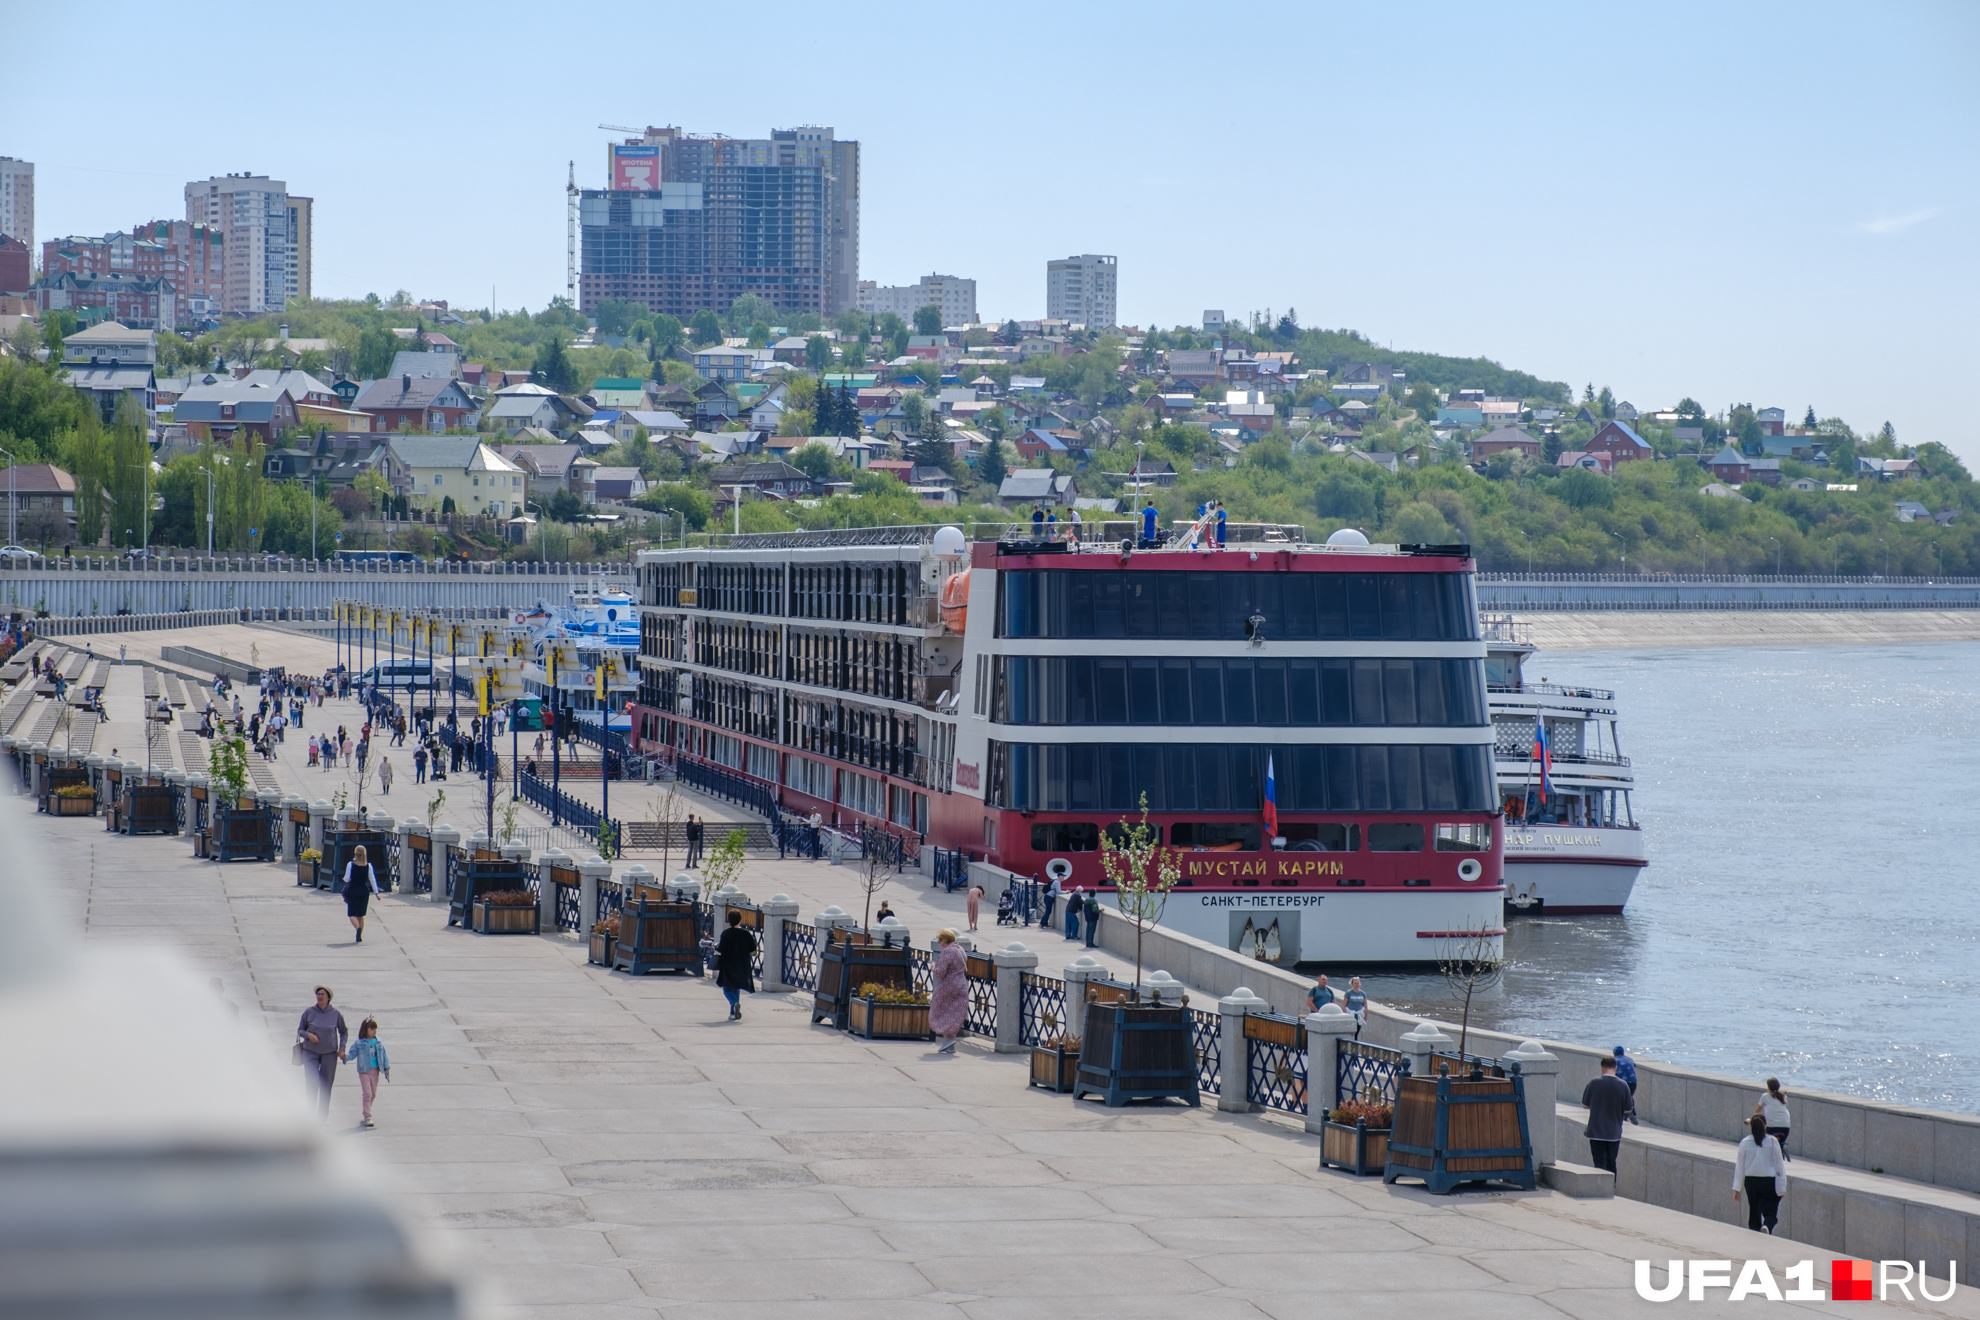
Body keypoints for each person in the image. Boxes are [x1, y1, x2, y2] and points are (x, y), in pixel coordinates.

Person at [296, 986, 347, 1119]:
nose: (320, 997)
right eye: (318, 994)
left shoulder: (335, 1014)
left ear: (328, 997)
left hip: (329, 1054)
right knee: (312, 1083)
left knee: (326, 1086)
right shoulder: (309, 1012)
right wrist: (308, 1035)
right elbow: (300, 1030)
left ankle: (322, 1117)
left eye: (322, 994)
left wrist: (342, 1048)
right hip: (310, 1052)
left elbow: (344, 1031)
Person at [1732, 1113, 1787, 1233]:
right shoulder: (1772, 1141)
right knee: (1771, 1211)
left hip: (1751, 1182)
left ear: (1751, 1127)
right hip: (1768, 1181)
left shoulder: (1744, 1143)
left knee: (1754, 1210)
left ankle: (1754, 1232)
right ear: (1765, 1126)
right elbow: (1779, 1166)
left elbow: (1739, 1167)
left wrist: (1736, 1188)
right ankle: (1767, 1225)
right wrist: (1782, 1188)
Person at [1581, 1056, 1633, 1174]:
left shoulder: (1594, 1083)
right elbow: (1628, 1109)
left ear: (1602, 1068)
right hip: (1614, 1133)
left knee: (1599, 1163)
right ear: (1616, 1068)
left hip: (1596, 1131)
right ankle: (1611, 1188)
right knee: (1611, 1162)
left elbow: (1585, 1105)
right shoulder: (1623, 1085)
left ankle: (1600, 1188)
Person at [929, 928, 968, 1053]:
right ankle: (949, 1042)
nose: (939, 942)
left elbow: (940, 972)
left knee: (938, 1009)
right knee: (954, 1012)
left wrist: (933, 967)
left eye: (940, 940)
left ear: (945, 940)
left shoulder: (947, 952)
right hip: (961, 985)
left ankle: (948, 1039)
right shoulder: (960, 949)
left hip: (947, 986)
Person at [713, 909, 757, 1020]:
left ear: (729, 921)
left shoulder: (726, 934)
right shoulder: (746, 934)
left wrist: (715, 946)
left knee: (727, 989)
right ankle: (733, 1014)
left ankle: (734, 1003)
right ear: (740, 920)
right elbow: (753, 950)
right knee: (736, 988)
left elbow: (721, 949)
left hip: (728, 965)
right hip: (742, 965)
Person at [348, 1017, 391, 1129]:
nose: (374, 1031)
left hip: (375, 1070)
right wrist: (345, 1057)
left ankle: (367, 1109)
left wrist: (387, 1067)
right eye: (372, 1029)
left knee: (373, 1094)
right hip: (364, 1070)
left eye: (375, 1029)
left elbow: (384, 1055)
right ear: (365, 1029)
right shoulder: (359, 1043)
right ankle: (368, 1116)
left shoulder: (379, 1042)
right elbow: (352, 1054)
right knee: (367, 1093)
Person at [343, 844, 382, 943]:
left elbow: (347, 878)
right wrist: (376, 893)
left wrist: (344, 879)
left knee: (352, 914)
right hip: (364, 891)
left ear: (355, 853)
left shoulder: (350, 864)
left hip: (353, 890)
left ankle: (357, 929)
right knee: (361, 915)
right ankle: (360, 934)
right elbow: (372, 879)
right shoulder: (368, 865)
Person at [1756, 1078, 1791, 1159]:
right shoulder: (1783, 1096)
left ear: (1768, 1087)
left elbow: (1757, 1111)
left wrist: (1753, 1120)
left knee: (1765, 1144)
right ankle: (1781, 1149)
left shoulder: (1765, 1096)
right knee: (1780, 1143)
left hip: (1772, 1127)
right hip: (1786, 1127)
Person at [1613, 1046, 1640, 1123]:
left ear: (1614, 1054)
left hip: (1621, 1082)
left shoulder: (1614, 1060)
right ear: (1623, 1053)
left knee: (1618, 1098)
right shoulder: (1630, 1059)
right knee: (1629, 1097)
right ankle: (1632, 1111)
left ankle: (1623, 1115)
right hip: (1633, 1082)